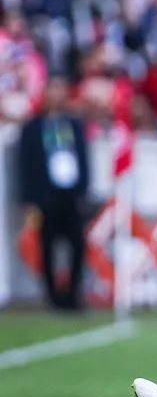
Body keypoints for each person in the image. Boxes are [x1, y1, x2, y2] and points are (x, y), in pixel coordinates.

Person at [16, 76, 91, 311]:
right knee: (47, 247)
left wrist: (84, 191)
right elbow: (26, 166)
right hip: (45, 196)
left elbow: (84, 160)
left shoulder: (73, 125)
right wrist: (29, 199)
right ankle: (52, 296)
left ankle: (73, 293)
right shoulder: (32, 128)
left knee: (78, 245)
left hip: (70, 194)